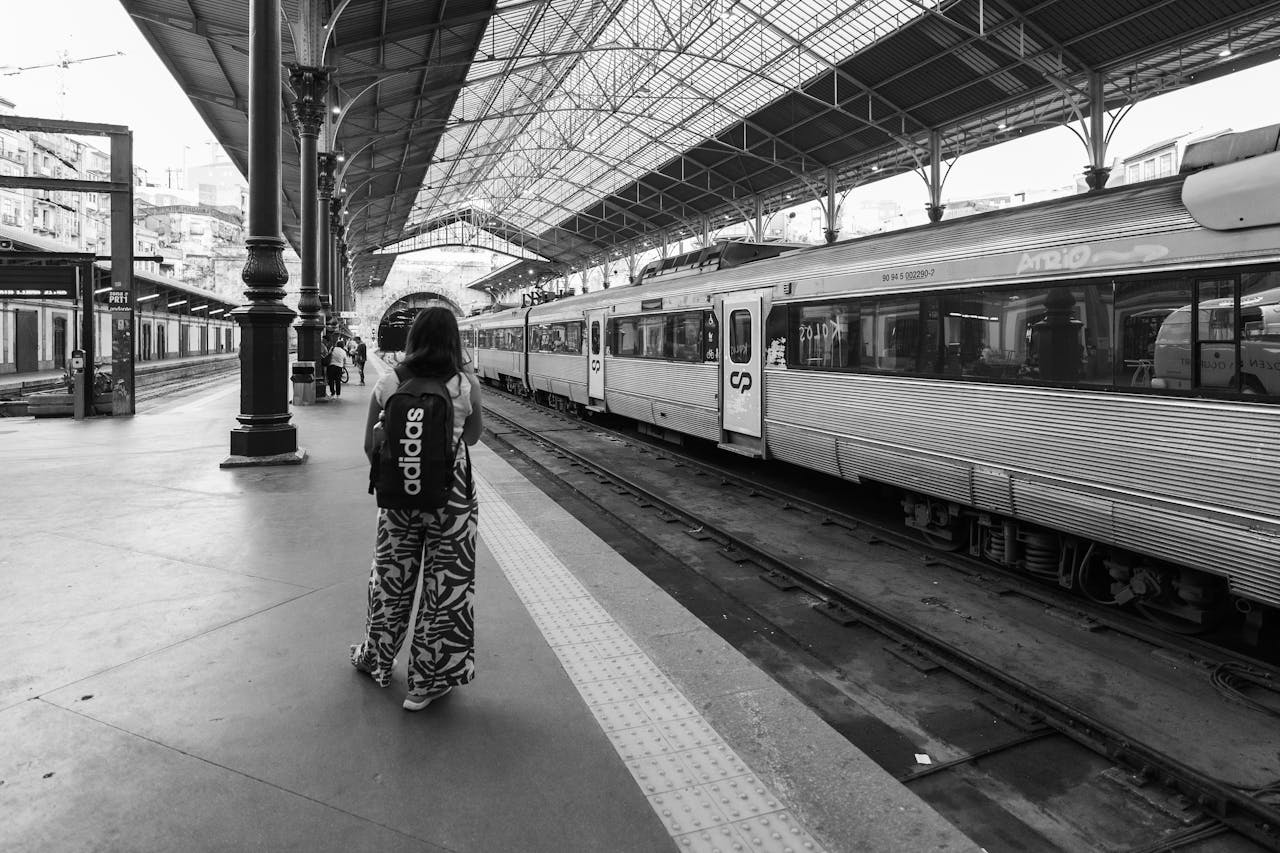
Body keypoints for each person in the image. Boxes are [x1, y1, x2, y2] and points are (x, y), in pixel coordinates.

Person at [349, 307, 484, 711]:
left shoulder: (390, 381)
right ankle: (427, 682)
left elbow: (370, 446)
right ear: (453, 341)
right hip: (452, 499)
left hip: (397, 498)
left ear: (412, 339)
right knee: (446, 590)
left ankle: (376, 659)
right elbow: (473, 438)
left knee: (390, 582)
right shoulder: (464, 385)